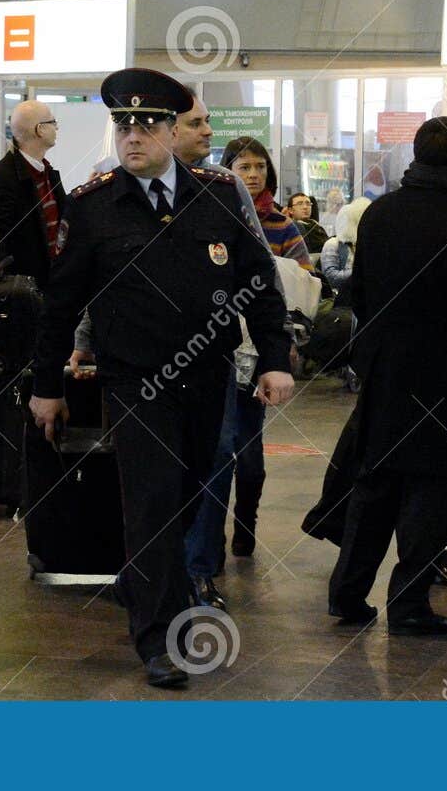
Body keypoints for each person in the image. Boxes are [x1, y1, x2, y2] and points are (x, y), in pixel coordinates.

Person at [29, 68, 293, 690]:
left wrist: (276, 358)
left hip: (208, 375)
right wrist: (46, 385)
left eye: (147, 125)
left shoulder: (217, 194)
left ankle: (140, 582)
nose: (133, 136)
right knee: (149, 501)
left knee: (186, 495)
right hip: (135, 380)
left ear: (173, 131)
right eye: (123, 125)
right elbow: (61, 303)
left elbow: (260, 283)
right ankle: (160, 638)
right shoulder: (93, 205)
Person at [328, 118, 447, 635]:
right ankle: (407, 606)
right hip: (442, 375)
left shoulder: (379, 214)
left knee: (374, 482)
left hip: (384, 370)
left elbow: (357, 292)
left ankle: (347, 594)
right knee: (432, 489)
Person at [185, 136, 309, 591]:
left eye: (259, 165)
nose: (252, 173)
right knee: (219, 451)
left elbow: (301, 283)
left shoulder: (281, 224)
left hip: (260, 352)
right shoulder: (213, 210)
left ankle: (247, 523)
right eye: (243, 165)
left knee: (250, 459)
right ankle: (207, 548)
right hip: (219, 350)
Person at [0, 99, 66, 288]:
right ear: (40, 129)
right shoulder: (3, 176)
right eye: (53, 122)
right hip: (23, 293)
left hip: (52, 285)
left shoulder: (46, 172)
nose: (56, 127)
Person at [319, 197, 368, 305]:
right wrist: (359, 272)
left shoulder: (364, 244)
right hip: (341, 298)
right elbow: (330, 277)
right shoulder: (332, 244)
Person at [285, 192, 329, 256]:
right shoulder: (292, 228)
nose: (305, 207)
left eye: (308, 204)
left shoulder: (315, 224)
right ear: (291, 210)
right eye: (300, 204)